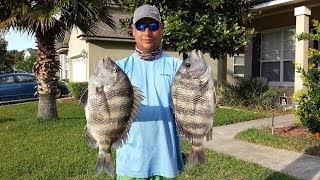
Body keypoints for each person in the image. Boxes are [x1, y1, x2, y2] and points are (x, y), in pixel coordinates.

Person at [115, 4, 184, 180]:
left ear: (161, 29)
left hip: (165, 160)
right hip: (130, 161)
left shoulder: (177, 67)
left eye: (153, 26)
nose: (147, 32)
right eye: (141, 26)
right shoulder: (119, 69)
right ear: (133, 30)